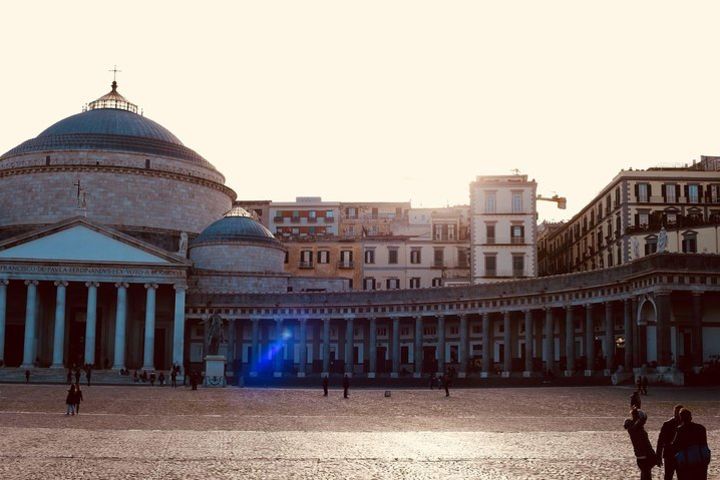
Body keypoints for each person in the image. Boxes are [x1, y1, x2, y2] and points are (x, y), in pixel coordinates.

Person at [670, 408, 710, 480]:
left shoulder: (680, 430)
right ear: (691, 417)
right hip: (700, 460)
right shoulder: (701, 428)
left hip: (686, 462)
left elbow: (675, 446)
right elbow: (704, 444)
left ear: (681, 418)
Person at [624, 407, 656, 480]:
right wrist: (654, 456)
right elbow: (647, 445)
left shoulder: (632, 428)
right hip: (646, 456)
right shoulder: (637, 429)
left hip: (640, 456)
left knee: (645, 475)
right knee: (646, 476)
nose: (644, 422)